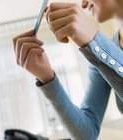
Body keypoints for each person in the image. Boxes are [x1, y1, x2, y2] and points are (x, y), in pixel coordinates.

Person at [13, 0, 123, 139]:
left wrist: (94, 41)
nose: (83, 4)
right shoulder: (101, 55)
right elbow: (87, 134)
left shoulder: (99, 50)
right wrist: (47, 79)